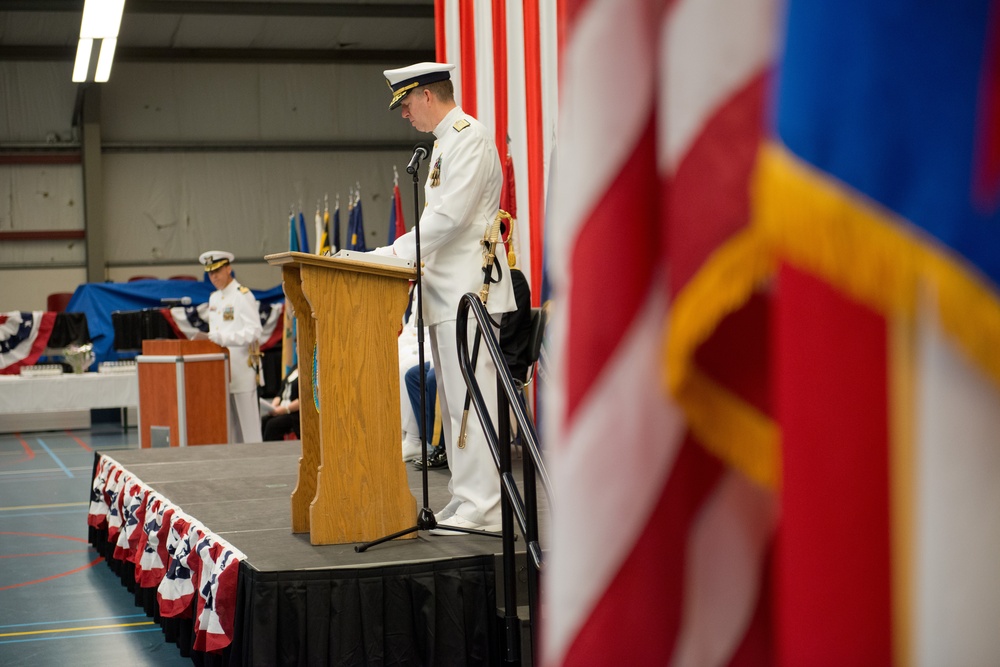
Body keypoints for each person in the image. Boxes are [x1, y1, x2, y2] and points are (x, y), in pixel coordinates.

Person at [373, 62, 516, 535]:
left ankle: (489, 509)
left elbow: (450, 217)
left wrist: (391, 254)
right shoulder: (443, 146)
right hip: (446, 296)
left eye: (407, 104)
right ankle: (468, 498)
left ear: (428, 96)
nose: (404, 115)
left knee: (474, 402)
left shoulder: (468, 137)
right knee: (456, 406)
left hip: (471, 296)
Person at [199, 250, 263, 443]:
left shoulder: (242, 295)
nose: (214, 276)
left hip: (242, 371)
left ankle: (258, 469)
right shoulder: (214, 298)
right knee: (230, 433)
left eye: (218, 271)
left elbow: (255, 331)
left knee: (250, 432)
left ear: (229, 268)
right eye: (210, 273)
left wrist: (224, 339)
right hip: (221, 372)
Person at [261, 366, 300, 441]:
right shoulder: (293, 369)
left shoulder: (306, 373)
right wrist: (272, 407)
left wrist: (286, 409)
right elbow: (280, 394)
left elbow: (301, 400)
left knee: (272, 425)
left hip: (293, 412)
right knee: (264, 420)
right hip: (281, 408)